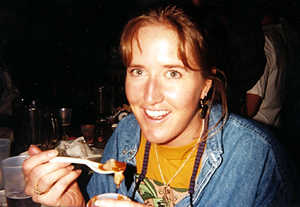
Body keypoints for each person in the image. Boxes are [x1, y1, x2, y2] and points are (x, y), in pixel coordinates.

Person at [23, 5, 294, 207]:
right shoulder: (127, 133)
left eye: (173, 73)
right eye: (138, 71)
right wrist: (77, 204)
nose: (149, 96)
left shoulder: (255, 155)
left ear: (206, 85)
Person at [243, 13, 288, 132]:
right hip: (274, 125)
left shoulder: (263, 42)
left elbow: (251, 107)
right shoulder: (281, 36)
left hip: (257, 129)